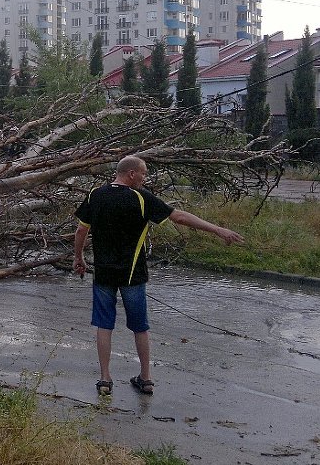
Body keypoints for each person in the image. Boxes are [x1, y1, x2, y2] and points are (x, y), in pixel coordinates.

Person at [73, 155, 244, 397]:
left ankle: (105, 379)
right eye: (143, 173)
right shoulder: (141, 198)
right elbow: (179, 217)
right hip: (134, 275)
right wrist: (217, 229)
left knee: (104, 325)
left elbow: (81, 230)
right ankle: (146, 378)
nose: (145, 178)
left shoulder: (95, 195)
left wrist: (78, 258)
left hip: (104, 274)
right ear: (131, 173)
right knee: (140, 327)